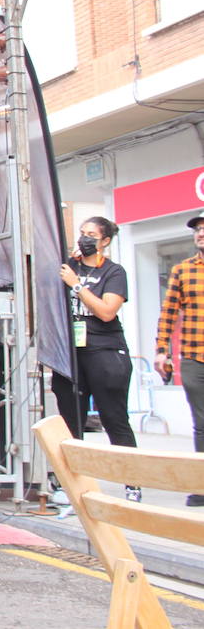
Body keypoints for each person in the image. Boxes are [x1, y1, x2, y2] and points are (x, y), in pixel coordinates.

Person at [50, 217, 140, 500]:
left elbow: (106, 311)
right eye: (81, 233)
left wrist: (77, 286)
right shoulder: (68, 267)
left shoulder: (114, 272)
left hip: (105, 351)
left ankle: (132, 482)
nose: (84, 239)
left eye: (91, 234)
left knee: (114, 418)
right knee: (71, 421)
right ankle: (73, 484)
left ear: (105, 241)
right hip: (71, 354)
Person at [155, 210, 204, 507]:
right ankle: (201, 484)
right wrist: (162, 349)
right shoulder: (182, 270)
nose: (200, 233)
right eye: (197, 229)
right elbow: (169, 312)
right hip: (194, 357)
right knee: (201, 422)